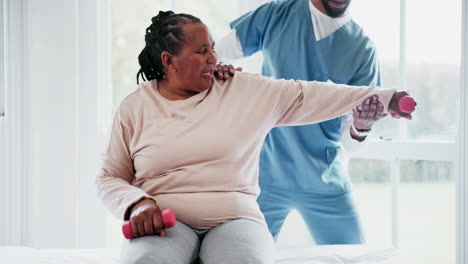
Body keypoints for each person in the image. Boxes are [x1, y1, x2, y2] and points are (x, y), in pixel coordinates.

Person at [96, 10, 412, 264]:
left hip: (235, 219)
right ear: (168, 61)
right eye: (202, 50)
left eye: (213, 49)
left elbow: (308, 94)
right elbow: (109, 177)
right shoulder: (135, 107)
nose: (212, 58)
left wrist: (385, 97)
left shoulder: (241, 89)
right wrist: (136, 204)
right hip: (166, 221)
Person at [215, 0, 385, 244]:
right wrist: (222, 76)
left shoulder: (362, 49)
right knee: (240, 254)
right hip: (263, 177)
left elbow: (352, 143)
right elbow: (215, 54)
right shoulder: (276, 14)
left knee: (354, 256)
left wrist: (361, 126)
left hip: (325, 181)